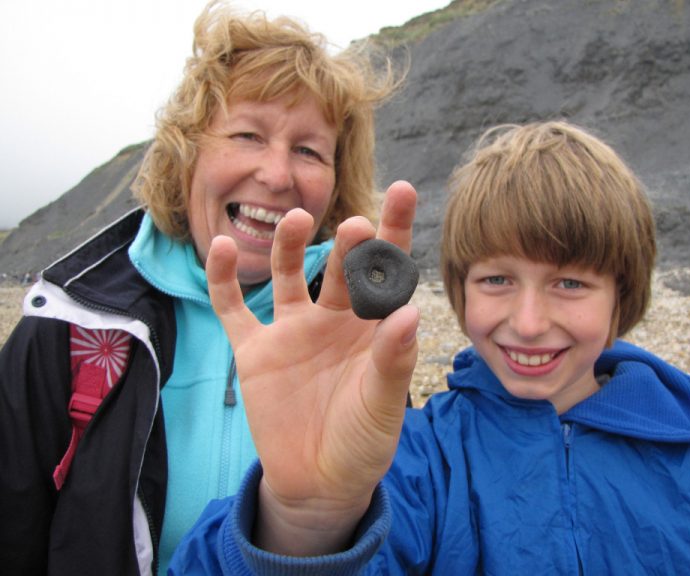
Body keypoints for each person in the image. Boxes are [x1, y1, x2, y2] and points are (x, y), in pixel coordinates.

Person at [170, 120, 690, 574]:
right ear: (458, 291)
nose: (529, 323)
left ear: (624, 296)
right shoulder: (418, 460)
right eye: (497, 280)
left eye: (569, 282)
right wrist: (303, 520)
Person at [0, 1, 414, 574]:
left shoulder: (362, 340)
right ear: (186, 152)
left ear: (337, 179)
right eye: (247, 134)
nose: (276, 174)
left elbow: (407, 547)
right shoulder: (70, 327)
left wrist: (318, 520)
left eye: (308, 150)